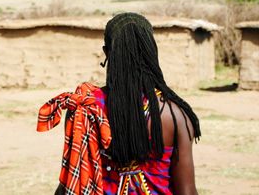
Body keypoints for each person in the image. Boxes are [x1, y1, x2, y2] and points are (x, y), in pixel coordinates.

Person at [37, 12, 201, 195]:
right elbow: (187, 191)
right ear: (152, 52)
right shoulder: (174, 115)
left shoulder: (86, 108)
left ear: (107, 53)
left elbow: (71, 181)